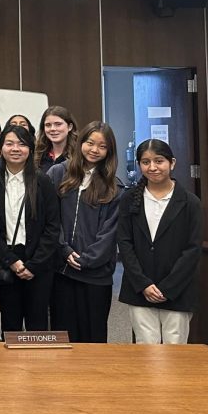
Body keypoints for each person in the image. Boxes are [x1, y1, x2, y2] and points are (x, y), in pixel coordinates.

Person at [116, 139, 203, 344]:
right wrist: (143, 283)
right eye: (145, 162)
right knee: (146, 349)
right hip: (140, 289)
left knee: (175, 350)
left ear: (172, 163)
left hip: (177, 290)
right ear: (139, 165)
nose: (152, 167)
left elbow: (193, 249)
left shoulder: (190, 202)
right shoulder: (129, 199)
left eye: (159, 161)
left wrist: (168, 287)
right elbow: (125, 243)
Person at [0, 124, 60, 334]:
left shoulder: (43, 180)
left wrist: (33, 265)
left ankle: (37, 367)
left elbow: (52, 226)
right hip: (7, 258)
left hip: (38, 260)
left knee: (38, 322)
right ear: (1, 148)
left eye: (22, 144)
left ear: (30, 149)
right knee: (10, 321)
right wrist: (11, 261)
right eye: (9, 143)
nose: (15, 149)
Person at [50, 121, 122, 343]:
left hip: (96, 274)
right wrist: (63, 249)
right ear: (81, 142)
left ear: (109, 151)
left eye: (102, 146)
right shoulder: (58, 173)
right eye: (90, 143)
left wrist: (87, 259)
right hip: (62, 269)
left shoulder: (114, 186)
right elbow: (50, 218)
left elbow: (110, 231)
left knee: (94, 334)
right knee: (64, 334)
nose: (94, 150)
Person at [36, 106, 78, 173]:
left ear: (70, 127)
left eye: (58, 124)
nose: (52, 129)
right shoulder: (37, 155)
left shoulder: (79, 155)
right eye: (48, 125)